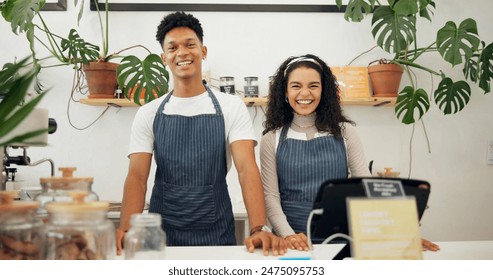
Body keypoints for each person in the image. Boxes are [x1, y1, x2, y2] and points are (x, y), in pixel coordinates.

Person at [116, 11, 287, 256]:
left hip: (216, 233)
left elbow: (247, 169)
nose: (182, 53)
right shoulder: (149, 113)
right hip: (161, 235)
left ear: (203, 51)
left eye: (190, 45)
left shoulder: (230, 106)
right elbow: (136, 176)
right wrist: (125, 228)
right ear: (164, 57)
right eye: (173, 48)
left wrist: (258, 228)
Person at [260, 54, 440, 254]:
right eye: (296, 86)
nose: (305, 93)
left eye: (313, 85)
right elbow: (270, 197)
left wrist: (401, 233)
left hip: (339, 238)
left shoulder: (345, 131)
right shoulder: (272, 139)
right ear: (285, 91)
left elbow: (366, 188)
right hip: (288, 242)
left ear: (323, 90)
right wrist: (289, 236)